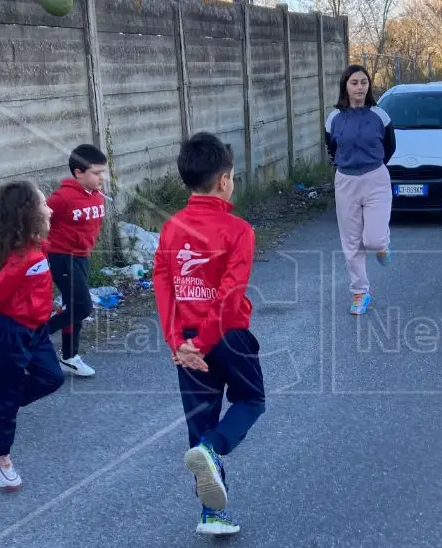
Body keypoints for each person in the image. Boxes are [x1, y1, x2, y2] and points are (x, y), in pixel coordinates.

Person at [152, 132, 266, 536]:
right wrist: (200, 343)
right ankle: (213, 449)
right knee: (251, 400)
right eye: (232, 176)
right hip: (228, 335)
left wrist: (179, 344)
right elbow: (231, 296)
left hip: (185, 338)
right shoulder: (238, 231)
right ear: (223, 180)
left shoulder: (171, 228)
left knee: (199, 422)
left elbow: (163, 285)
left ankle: (211, 514)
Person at [0, 181, 66, 492]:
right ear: (27, 216)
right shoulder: (20, 260)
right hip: (10, 333)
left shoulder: (37, 248)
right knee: (5, 395)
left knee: (52, 378)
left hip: (36, 331)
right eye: (43, 205)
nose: (49, 209)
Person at [324, 64, 397, 315]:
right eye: (354, 82)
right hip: (345, 181)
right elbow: (332, 150)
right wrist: (347, 168)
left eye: (363, 82)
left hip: (376, 178)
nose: (359, 87)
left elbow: (390, 148)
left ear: (369, 85)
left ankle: (383, 245)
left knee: (373, 239)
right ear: (345, 85)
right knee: (351, 243)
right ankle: (360, 293)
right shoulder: (334, 118)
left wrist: (371, 166)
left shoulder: (380, 115)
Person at [43, 144, 109, 377]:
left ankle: (69, 356)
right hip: (62, 258)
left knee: (73, 307)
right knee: (82, 306)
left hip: (82, 257)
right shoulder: (61, 198)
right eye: (96, 173)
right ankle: (35, 338)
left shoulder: (97, 195)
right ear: (78, 172)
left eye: (103, 172)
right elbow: (40, 222)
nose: (102, 177)